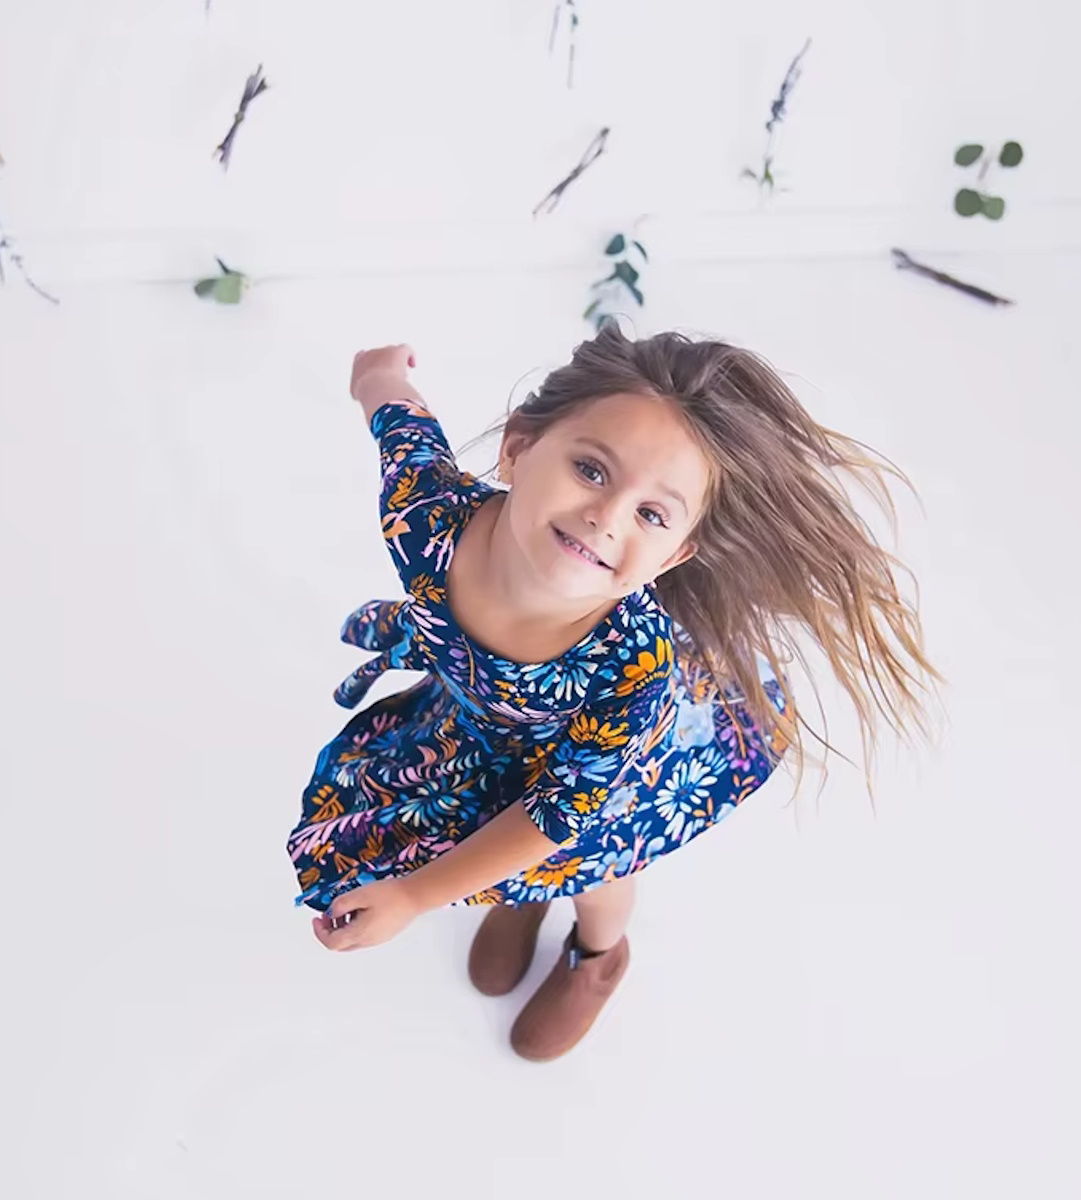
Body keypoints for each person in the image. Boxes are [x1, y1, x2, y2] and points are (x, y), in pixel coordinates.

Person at [286, 324, 940, 1062]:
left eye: (652, 515)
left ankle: (598, 956)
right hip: (473, 735)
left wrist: (415, 895)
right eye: (592, 470)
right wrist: (378, 376)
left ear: (676, 555)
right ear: (518, 447)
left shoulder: (634, 667)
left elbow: (556, 817)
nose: (607, 516)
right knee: (495, 854)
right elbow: (398, 420)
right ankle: (520, 896)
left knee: (599, 874)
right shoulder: (427, 517)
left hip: (608, 783)